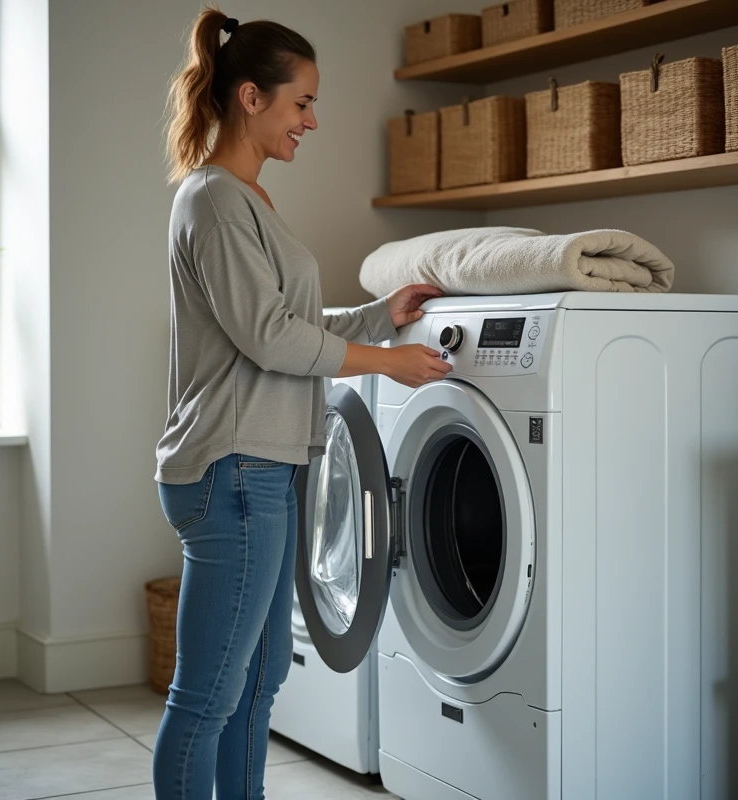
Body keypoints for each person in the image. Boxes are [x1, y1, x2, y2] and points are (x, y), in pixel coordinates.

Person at [153, 6, 452, 799]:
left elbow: (282, 324)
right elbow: (270, 340)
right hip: (234, 472)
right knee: (208, 698)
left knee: (254, 689)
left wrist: (374, 317)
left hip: (257, 468)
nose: (313, 121)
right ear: (250, 97)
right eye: (302, 103)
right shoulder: (215, 200)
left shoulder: (243, 197)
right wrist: (386, 360)